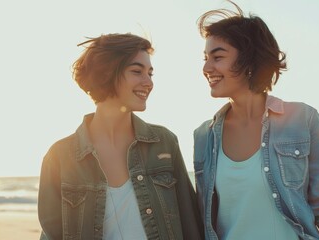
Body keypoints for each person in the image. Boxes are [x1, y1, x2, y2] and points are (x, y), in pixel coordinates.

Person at [193, 1, 319, 239]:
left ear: (249, 60)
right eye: (205, 58)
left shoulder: (302, 120)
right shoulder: (203, 136)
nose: (206, 67)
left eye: (217, 57)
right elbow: (204, 221)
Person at [38, 33, 203, 240]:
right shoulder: (60, 156)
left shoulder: (164, 142)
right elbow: (52, 234)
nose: (148, 82)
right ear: (106, 73)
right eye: (137, 71)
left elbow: (190, 224)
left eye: (150, 74)